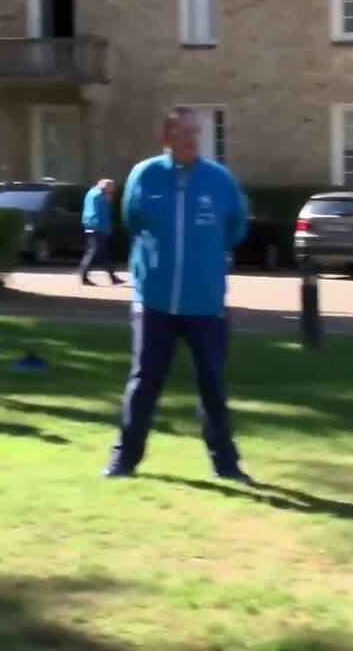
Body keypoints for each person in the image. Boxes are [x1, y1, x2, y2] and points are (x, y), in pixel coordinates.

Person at [104, 106, 252, 484]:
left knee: (212, 387)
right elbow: (132, 220)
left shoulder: (219, 180)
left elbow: (235, 227)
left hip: (205, 305)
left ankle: (227, 465)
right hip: (154, 303)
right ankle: (123, 460)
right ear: (166, 136)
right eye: (183, 132)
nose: (191, 139)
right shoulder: (144, 176)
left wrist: (207, 260)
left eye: (195, 132)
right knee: (143, 384)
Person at [79, 178, 125, 286]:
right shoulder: (101, 195)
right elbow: (103, 213)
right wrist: (107, 228)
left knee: (102, 253)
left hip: (89, 224)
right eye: (111, 188)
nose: (112, 191)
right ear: (105, 186)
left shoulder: (90, 193)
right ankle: (84, 276)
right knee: (93, 252)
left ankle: (112, 277)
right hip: (99, 227)